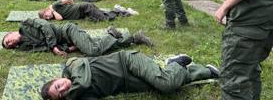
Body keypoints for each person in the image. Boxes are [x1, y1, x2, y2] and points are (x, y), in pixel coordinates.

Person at [40, 50, 220, 100]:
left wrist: (68, 97)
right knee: (164, 84)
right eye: (61, 93)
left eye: (58, 86)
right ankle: (205, 71)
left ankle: (175, 63)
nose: (64, 88)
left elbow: (85, 83)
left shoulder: (72, 65)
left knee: (165, 84)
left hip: (127, 62)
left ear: (57, 79)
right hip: (127, 83)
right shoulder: (78, 95)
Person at [2, 18, 153, 56]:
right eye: (9, 45)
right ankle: (134, 38)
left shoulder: (26, 24)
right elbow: (45, 48)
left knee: (92, 51)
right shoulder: (26, 47)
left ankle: (110, 33)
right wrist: (67, 49)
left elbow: (45, 25)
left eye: (7, 40)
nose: (10, 43)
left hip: (68, 31)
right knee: (100, 45)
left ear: (10, 33)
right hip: (67, 41)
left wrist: (53, 46)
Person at [38, 0, 138, 22]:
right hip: (83, 12)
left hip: (84, 7)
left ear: (46, 10)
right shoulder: (54, 15)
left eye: (46, 15)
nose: (48, 17)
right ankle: (118, 9)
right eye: (46, 18)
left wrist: (75, 6)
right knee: (101, 15)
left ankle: (127, 12)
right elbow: (58, 18)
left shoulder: (55, 6)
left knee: (104, 18)